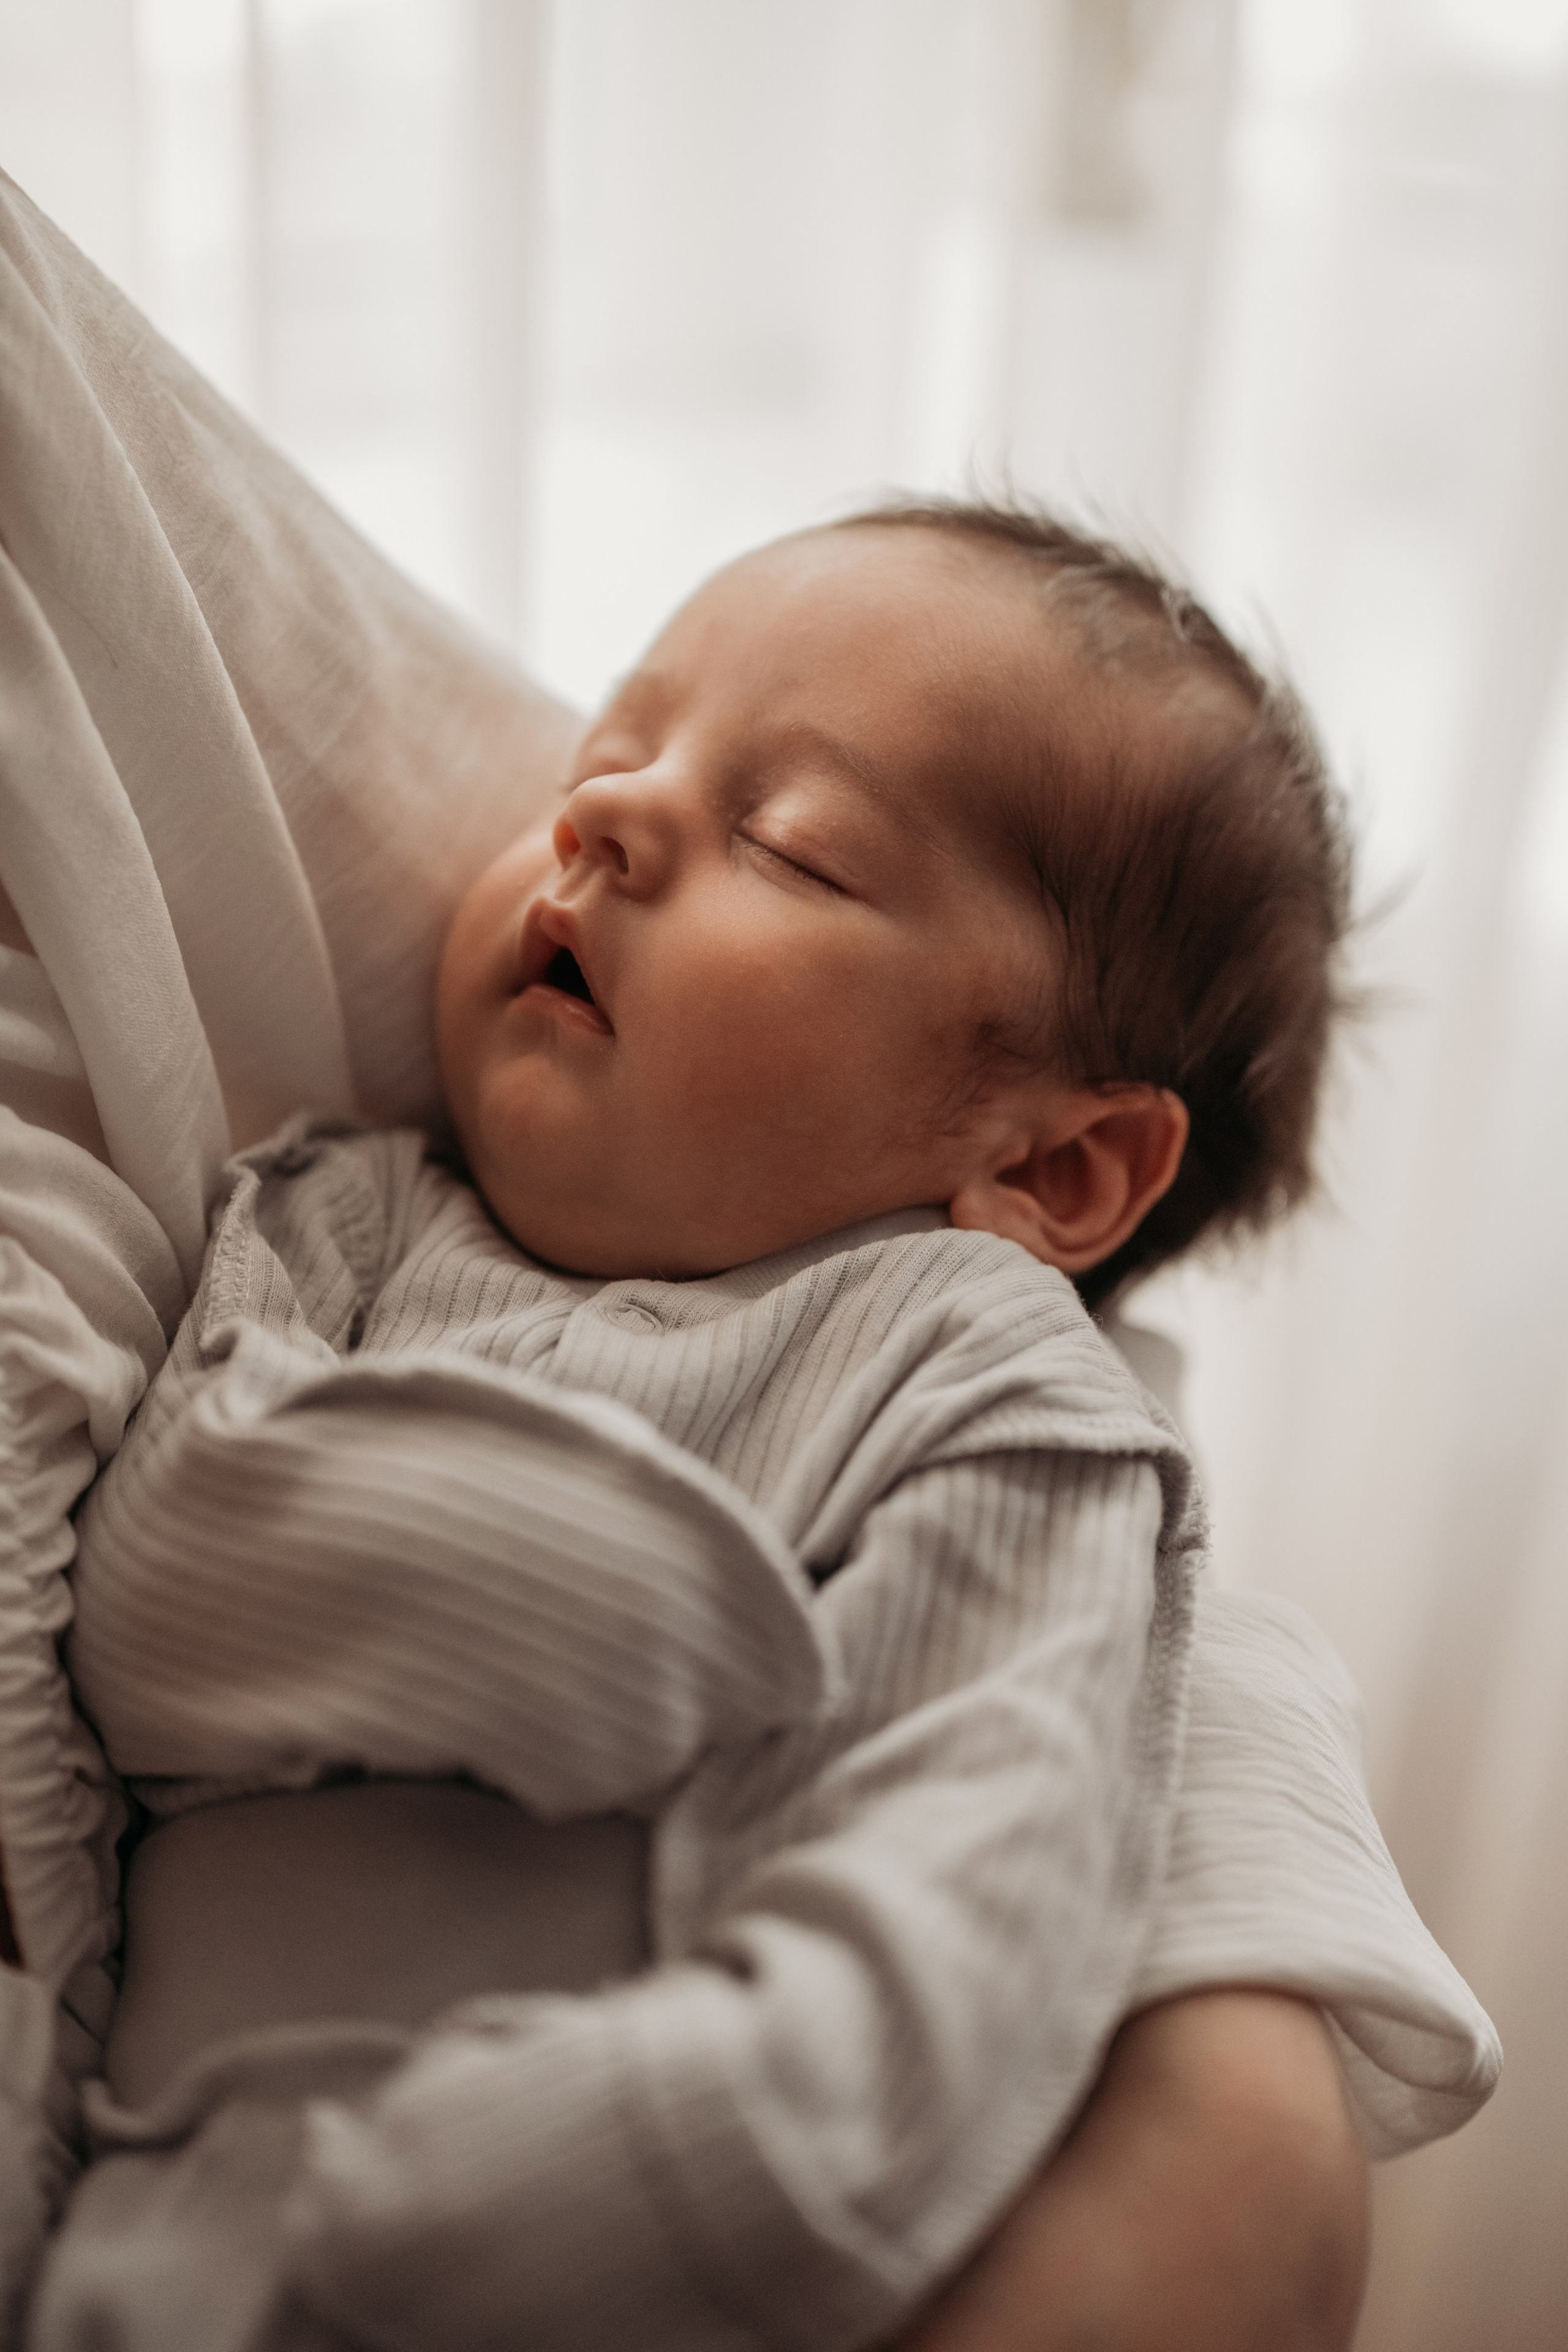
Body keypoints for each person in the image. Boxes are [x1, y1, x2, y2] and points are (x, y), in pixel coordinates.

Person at [28, 505, 1480, 2351]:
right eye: (610, 756)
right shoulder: (352, 1211)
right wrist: (654, 1620)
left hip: (642, 2235)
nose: (603, 819)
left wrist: (463, 2202)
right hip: (154, 2239)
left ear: (1051, 1163)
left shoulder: (984, 1383)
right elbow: (153, 1600)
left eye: (790, 844)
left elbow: (948, 1955)